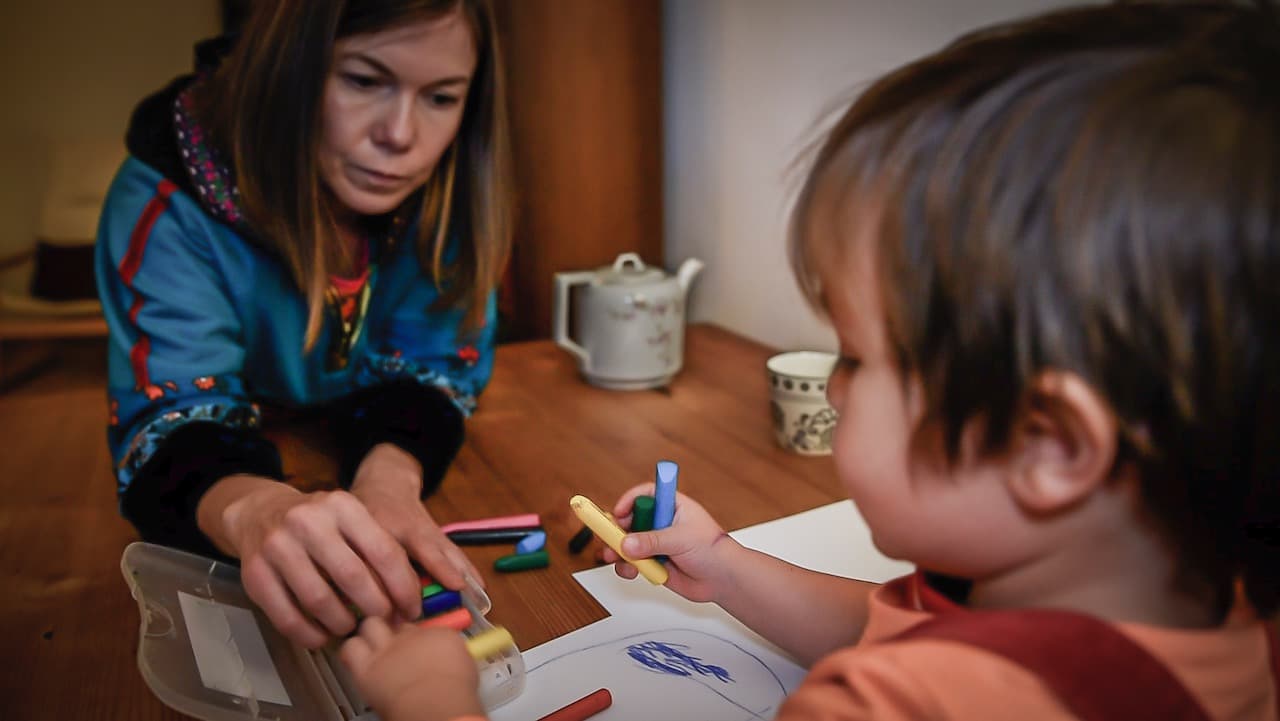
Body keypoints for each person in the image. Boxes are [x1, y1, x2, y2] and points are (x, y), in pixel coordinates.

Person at [333, 2, 1280, 719]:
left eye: (859, 359)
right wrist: (731, 567)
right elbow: (905, 616)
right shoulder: (1198, 602)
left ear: (1048, 445)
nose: (831, 384)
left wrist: (435, 710)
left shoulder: (898, 702)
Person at [95, 0, 511, 649]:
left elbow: (433, 363)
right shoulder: (163, 204)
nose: (401, 135)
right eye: (364, 80)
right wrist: (254, 509)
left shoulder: (447, 187)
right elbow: (168, 417)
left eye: (441, 96)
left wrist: (389, 479)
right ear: (285, 67)